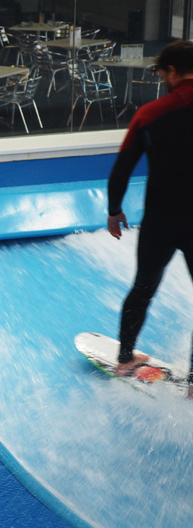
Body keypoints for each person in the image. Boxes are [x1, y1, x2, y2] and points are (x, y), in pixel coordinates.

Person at [106, 40, 193, 397]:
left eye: (161, 75)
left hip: (161, 220)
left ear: (171, 71)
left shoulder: (150, 114)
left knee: (143, 288)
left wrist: (114, 210)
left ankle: (125, 358)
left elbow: (121, 169)